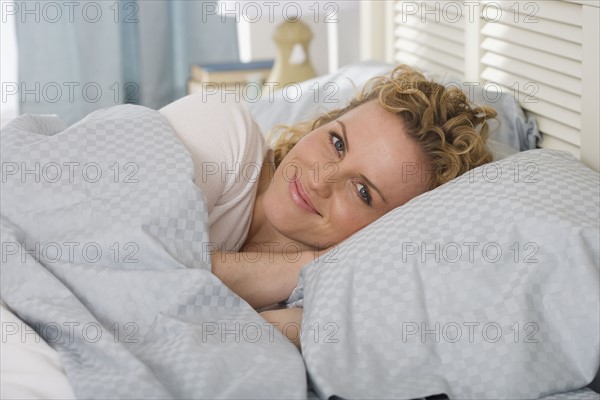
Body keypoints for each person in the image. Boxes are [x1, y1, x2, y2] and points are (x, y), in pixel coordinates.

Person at [160, 64, 496, 349]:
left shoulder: (322, 302)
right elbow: (148, 268)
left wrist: (317, 267)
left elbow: (205, 342)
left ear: (384, 228)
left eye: (362, 191)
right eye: (337, 143)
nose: (320, 180)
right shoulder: (225, 134)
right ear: (324, 121)